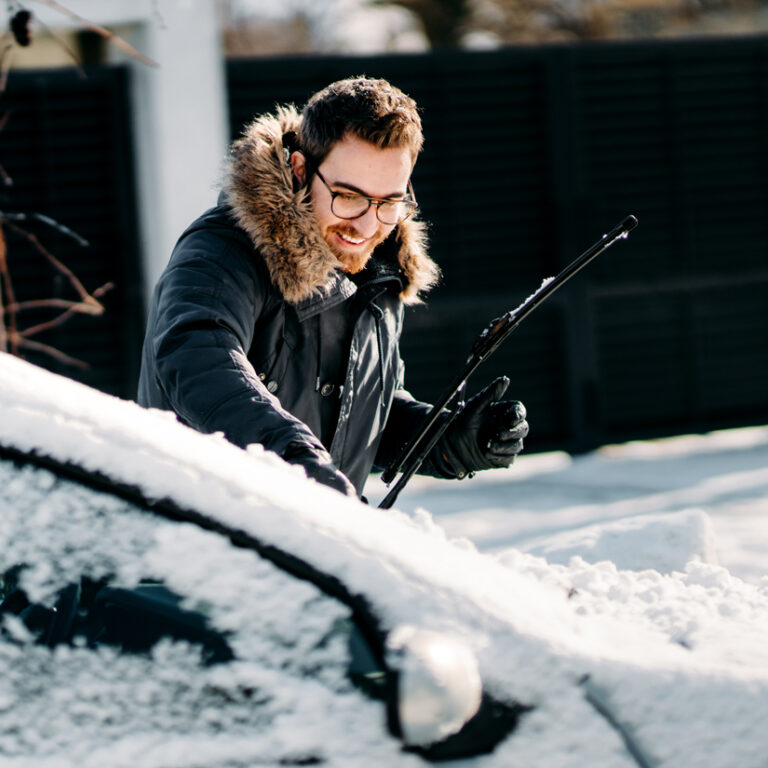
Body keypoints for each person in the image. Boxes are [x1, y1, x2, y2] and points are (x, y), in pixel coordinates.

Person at [138, 76, 528, 499]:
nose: (367, 225)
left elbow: (361, 416)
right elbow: (197, 356)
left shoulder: (381, 273)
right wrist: (290, 454)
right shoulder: (223, 250)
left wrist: (447, 441)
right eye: (348, 196)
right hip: (203, 526)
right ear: (300, 169)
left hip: (312, 532)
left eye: (389, 202)